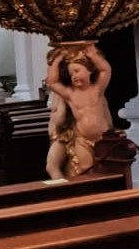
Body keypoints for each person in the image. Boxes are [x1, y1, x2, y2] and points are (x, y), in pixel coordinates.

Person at [44, 42, 113, 178]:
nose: (73, 76)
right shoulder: (71, 95)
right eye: (71, 74)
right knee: (85, 168)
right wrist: (56, 61)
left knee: (105, 169)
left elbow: (106, 70)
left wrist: (94, 56)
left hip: (103, 138)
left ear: (90, 71)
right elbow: (52, 83)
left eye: (77, 71)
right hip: (83, 140)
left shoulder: (96, 90)